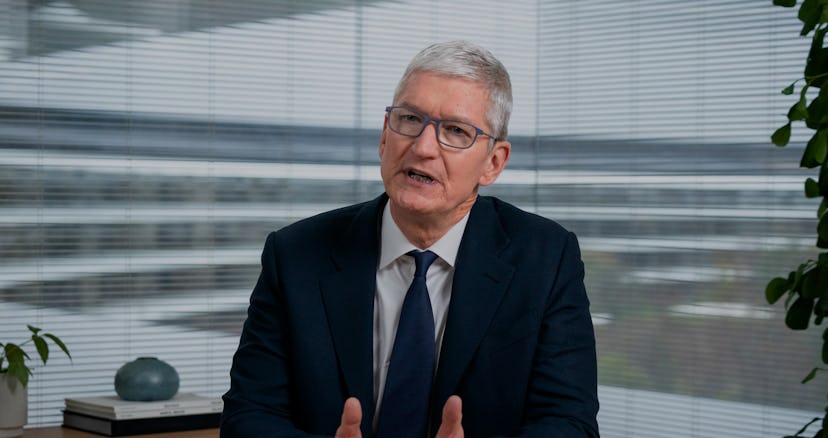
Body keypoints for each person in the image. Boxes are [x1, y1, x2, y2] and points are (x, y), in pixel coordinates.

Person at [220, 40, 599, 438]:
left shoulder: (547, 259)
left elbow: (570, 423)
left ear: (493, 162)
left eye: (454, 131)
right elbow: (249, 416)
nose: (422, 147)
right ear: (385, 136)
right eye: (409, 120)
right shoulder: (296, 254)